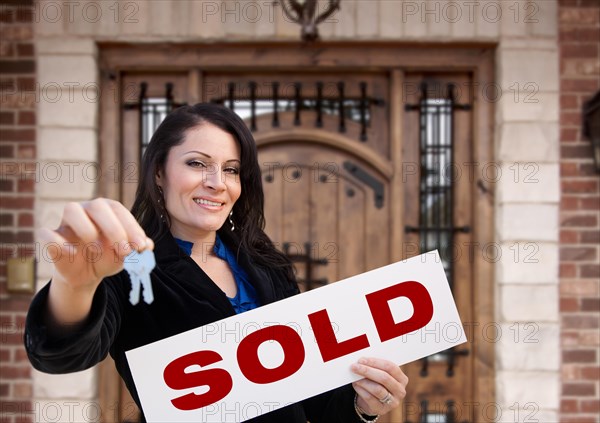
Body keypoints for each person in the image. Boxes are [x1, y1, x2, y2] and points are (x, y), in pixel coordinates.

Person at [24, 103, 408, 423]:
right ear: (159, 172)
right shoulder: (126, 267)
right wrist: (75, 285)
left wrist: (364, 406)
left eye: (230, 169)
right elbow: (61, 355)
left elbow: (313, 399)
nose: (217, 182)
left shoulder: (266, 265)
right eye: (197, 163)